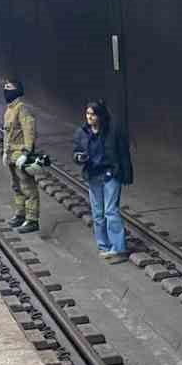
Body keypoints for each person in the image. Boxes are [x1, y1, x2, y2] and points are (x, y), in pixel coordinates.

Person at [72, 100, 134, 261]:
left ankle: (119, 248)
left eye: (93, 114)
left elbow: (123, 153)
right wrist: (79, 157)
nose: (89, 117)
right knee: (98, 214)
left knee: (111, 211)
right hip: (93, 175)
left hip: (110, 174)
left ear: (100, 115)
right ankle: (104, 246)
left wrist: (125, 174)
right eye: (87, 114)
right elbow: (76, 152)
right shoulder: (82, 132)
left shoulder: (113, 131)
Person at [2, 76, 39, 232]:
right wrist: (5, 152)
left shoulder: (22, 108)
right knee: (16, 186)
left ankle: (32, 220)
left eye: (9, 88)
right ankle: (20, 214)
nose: (5, 91)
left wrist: (26, 152)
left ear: (17, 91)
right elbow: (8, 133)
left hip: (20, 154)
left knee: (27, 187)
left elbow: (29, 131)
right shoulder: (9, 109)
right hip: (11, 154)